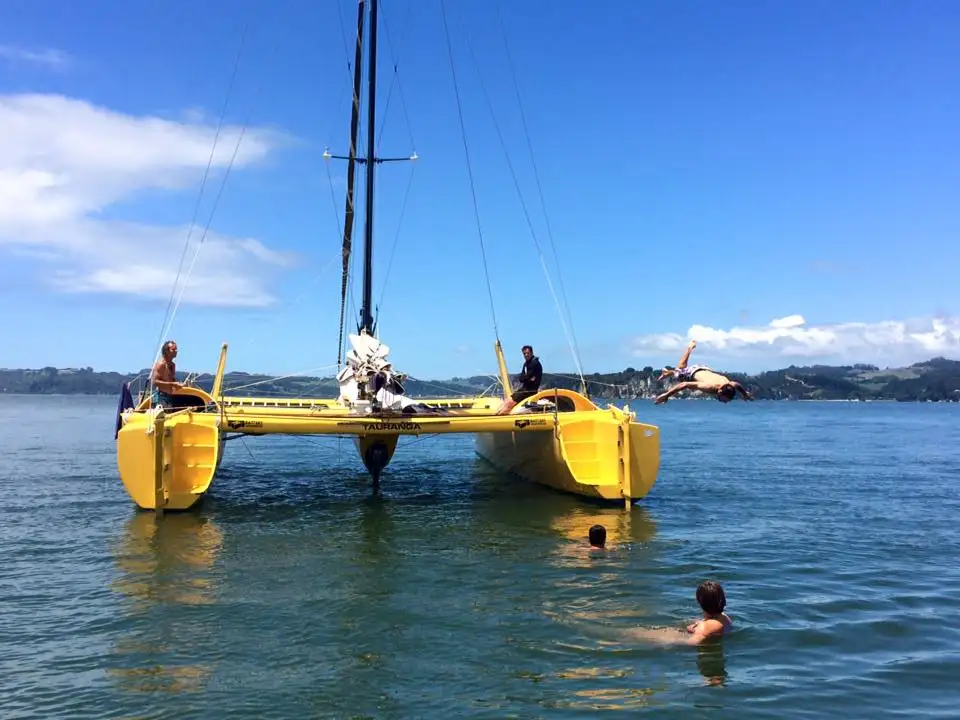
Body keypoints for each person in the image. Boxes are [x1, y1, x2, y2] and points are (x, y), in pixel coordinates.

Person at [654, 340, 753, 404]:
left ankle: (667, 373)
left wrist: (745, 394)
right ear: (720, 391)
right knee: (680, 369)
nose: (725, 403)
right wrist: (666, 395)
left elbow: (737, 385)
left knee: (678, 372)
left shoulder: (729, 385)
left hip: (705, 369)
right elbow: (685, 384)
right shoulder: (709, 387)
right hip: (692, 372)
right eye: (724, 400)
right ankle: (689, 348)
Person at [496, 345, 543, 415]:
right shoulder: (526, 363)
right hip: (524, 389)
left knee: (509, 403)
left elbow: (526, 377)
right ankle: (496, 414)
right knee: (507, 400)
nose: (526, 355)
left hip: (529, 391)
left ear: (532, 353)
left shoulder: (534, 363)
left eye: (528, 353)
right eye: (524, 353)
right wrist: (527, 378)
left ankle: (501, 417)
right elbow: (522, 378)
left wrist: (526, 378)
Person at [150, 340, 183, 408]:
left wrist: (178, 385)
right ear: (166, 351)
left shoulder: (173, 365)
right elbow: (154, 382)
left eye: (176, 349)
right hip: (161, 397)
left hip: (170, 396)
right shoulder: (161, 364)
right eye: (173, 349)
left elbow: (171, 380)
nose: (176, 351)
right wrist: (173, 384)